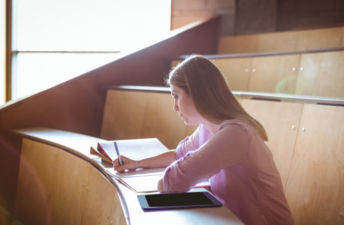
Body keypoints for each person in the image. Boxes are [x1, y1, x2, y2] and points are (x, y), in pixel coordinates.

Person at [113, 55, 295, 225]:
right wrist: (137, 163)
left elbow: (174, 182)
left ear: (196, 93)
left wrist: (163, 181)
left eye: (176, 96)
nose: (174, 107)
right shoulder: (207, 128)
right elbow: (178, 155)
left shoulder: (236, 134)